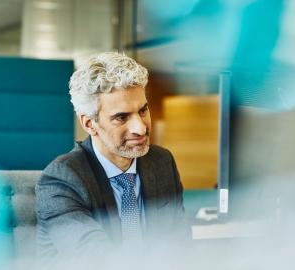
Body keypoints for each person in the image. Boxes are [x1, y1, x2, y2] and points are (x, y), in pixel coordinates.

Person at [35, 52, 188, 259]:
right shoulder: (61, 179)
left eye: (143, 111)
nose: (141, 129)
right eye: (121, 117)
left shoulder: (161, 162)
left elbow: (180, 245)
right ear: (90, 124)